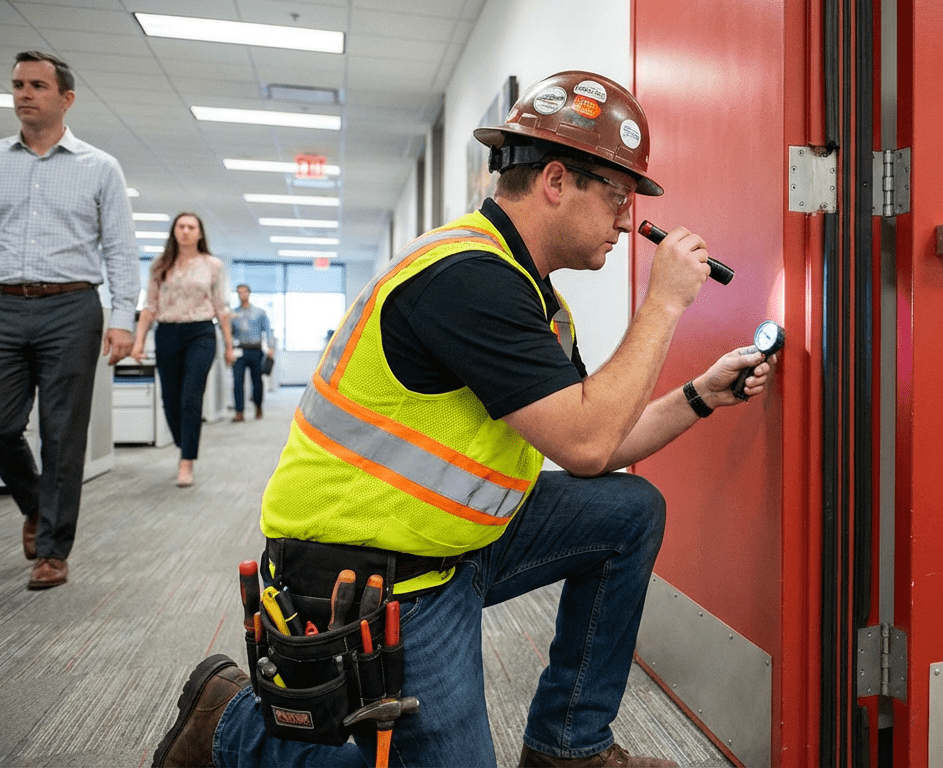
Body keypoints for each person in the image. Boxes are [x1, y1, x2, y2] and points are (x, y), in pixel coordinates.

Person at [153, 71, 776, 768]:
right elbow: (590, 434)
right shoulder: (467, 279)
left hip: (460, 540)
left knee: (629, 511)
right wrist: (664, 305)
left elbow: (590, 450)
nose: (629, 221)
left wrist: (698, 394)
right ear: (556, 180)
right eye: (618, 197)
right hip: (371, 572)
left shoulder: (533, 297)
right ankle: (228, 725)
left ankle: (569, 747)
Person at [1, 50, 139, 590]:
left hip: (72, 306)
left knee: (62, 433)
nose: (24, 94)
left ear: (66, 98)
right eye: (17, 85)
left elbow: (121, 251)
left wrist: (123, 319)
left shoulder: (99, 167)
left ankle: (53, 551)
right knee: (3, 425)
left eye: (37, 85)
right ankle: (36, 505)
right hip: (6, 304)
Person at [132, 213, 236, 488]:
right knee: (170, 398)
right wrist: (139, 341)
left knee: (191, 396)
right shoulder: (160, 265)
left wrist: (228, 346)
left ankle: (186, 461)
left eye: (192, 227)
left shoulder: (212, 265)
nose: (186, 231)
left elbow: (221, 308)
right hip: (166, 332)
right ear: (174, 231)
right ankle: (184, 443)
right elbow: (150, 306)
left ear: (200, 233)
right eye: (181, 226)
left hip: (200, 332)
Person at [229, 283, 275, 421]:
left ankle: (258, 407)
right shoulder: (233, 314)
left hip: (256, 351)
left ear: (249, 293)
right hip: (239, 351)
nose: (242, 295)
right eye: (239, 292)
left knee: (257, 381)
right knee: (237, 381)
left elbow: (267, 331)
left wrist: (270, 348)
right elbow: (228, 332)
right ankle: (239, 411)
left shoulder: (259, 313)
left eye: (244, 292)